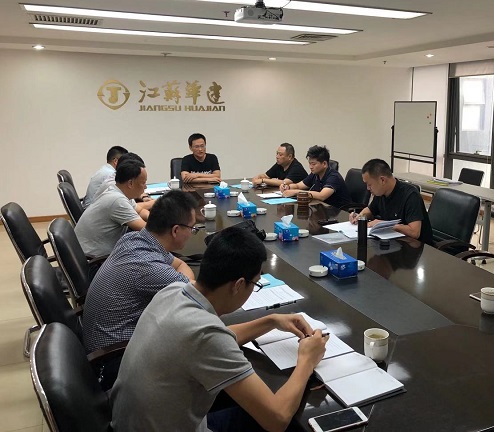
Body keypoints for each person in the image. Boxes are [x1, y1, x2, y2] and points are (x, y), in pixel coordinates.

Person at [110, 226, 328, 432]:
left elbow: (219, 340)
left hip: (128, 423)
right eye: (255, 284)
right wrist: (307, 360)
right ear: (238, 285)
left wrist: (271, 321)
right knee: (290, 423)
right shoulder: (205, 335)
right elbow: (277, 419)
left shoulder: (174, 290)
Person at [82, 190, 198, 389]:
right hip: (113, 361)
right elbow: (194, 292)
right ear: (176, 230)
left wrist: (184, 278)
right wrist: (186, 279)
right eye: (192, 228)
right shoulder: (148, 268)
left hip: (104, 344)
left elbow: (180, 265)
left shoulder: (134, 239)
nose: (192, 232)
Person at [74, 159, 147, 259]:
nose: (145, 187)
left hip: (91, 253)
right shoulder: (117, 200)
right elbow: (147, 231)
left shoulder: (116, 190)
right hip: (94, 261)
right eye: (143, 183)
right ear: (130, 183)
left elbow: (140, 212)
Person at [348, 159, 433, 244]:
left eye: (369, 184)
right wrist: (360, 216)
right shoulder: (380, 193)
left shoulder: (410, 195)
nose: (368, 188)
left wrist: (383, 225)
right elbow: (370, 210)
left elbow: (414, 232)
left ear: (382, 180)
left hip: (416, 247)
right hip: (393, 242)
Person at [280, 145, 350, 209]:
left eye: (313, 164)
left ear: (324, 164)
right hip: (323, 209)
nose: (310, 167)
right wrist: (288, 187)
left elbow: (322, 196)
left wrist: (296, 192)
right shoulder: (315, 174)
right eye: (309, 163)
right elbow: (298, 185)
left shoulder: (334, 177)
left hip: (339, 212)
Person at [92, 152, 155, 220]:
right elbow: (128, 207)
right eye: (143, 183)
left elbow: (139, 210)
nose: (145, 187)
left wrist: (144, 197)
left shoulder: (120, 185)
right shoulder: (114, 190)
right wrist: (154, 203)